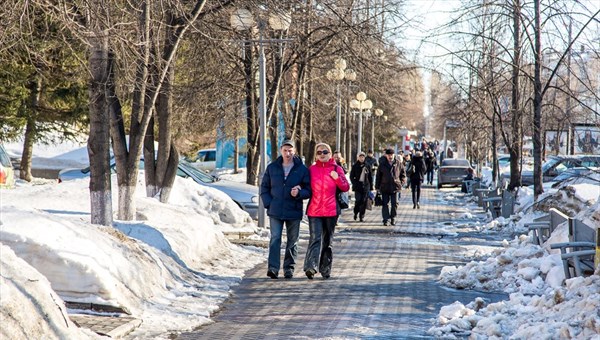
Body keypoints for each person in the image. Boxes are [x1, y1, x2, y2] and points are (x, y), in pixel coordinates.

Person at [260, 139, 311, 280]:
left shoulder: (301, 169)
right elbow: (264, 187)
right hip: (275, 210)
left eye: (290, 150)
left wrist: (299, 193)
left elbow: (308, 190)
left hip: (293, 210)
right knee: (275, 238)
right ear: (281, 150)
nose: (287, 153)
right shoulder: (272, 168)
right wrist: (269, 203)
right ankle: (273, 268)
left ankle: (289, 268)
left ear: (294, 151)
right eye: (285, 150)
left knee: (292, 240)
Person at [304, 142, 350, 279]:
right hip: (315, 210)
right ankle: (311, 267)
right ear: (316, 155)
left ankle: (325, 268)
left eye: (325, 152)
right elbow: (306, 187)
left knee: (327, 241)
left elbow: (345, 187)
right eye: (319, 152)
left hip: (331, 211)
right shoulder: (311, 169)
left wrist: (337, 178)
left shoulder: (336, 168)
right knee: (315, 238)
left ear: (330, 154)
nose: (322, 154)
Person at [375, 148, 405, 226]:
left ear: (394, 155)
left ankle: (393, 218)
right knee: (385, 204)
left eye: (391, 155)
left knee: (394, 204)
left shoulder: (398, 163)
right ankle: (385, 219)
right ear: (386, 155)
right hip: (385, 187)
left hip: (395, 187)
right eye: (388, 155)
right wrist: (377, 187)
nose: (390, 156)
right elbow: (378, 176)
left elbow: (403, 174)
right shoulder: (382, 164)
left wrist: (401, 183)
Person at [349, 151, 373, 222]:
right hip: (358, 187)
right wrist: (354, 183)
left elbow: (370, 177)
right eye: (360, 157)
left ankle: (361, 216)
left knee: (364, 201)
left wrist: (371, 186)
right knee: (358, 200)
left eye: (363, 157)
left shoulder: (367, 165)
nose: (361, 158)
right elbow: (351, 176)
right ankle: (356, 212)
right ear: (358, 157)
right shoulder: (355, 166)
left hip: (366, 186)